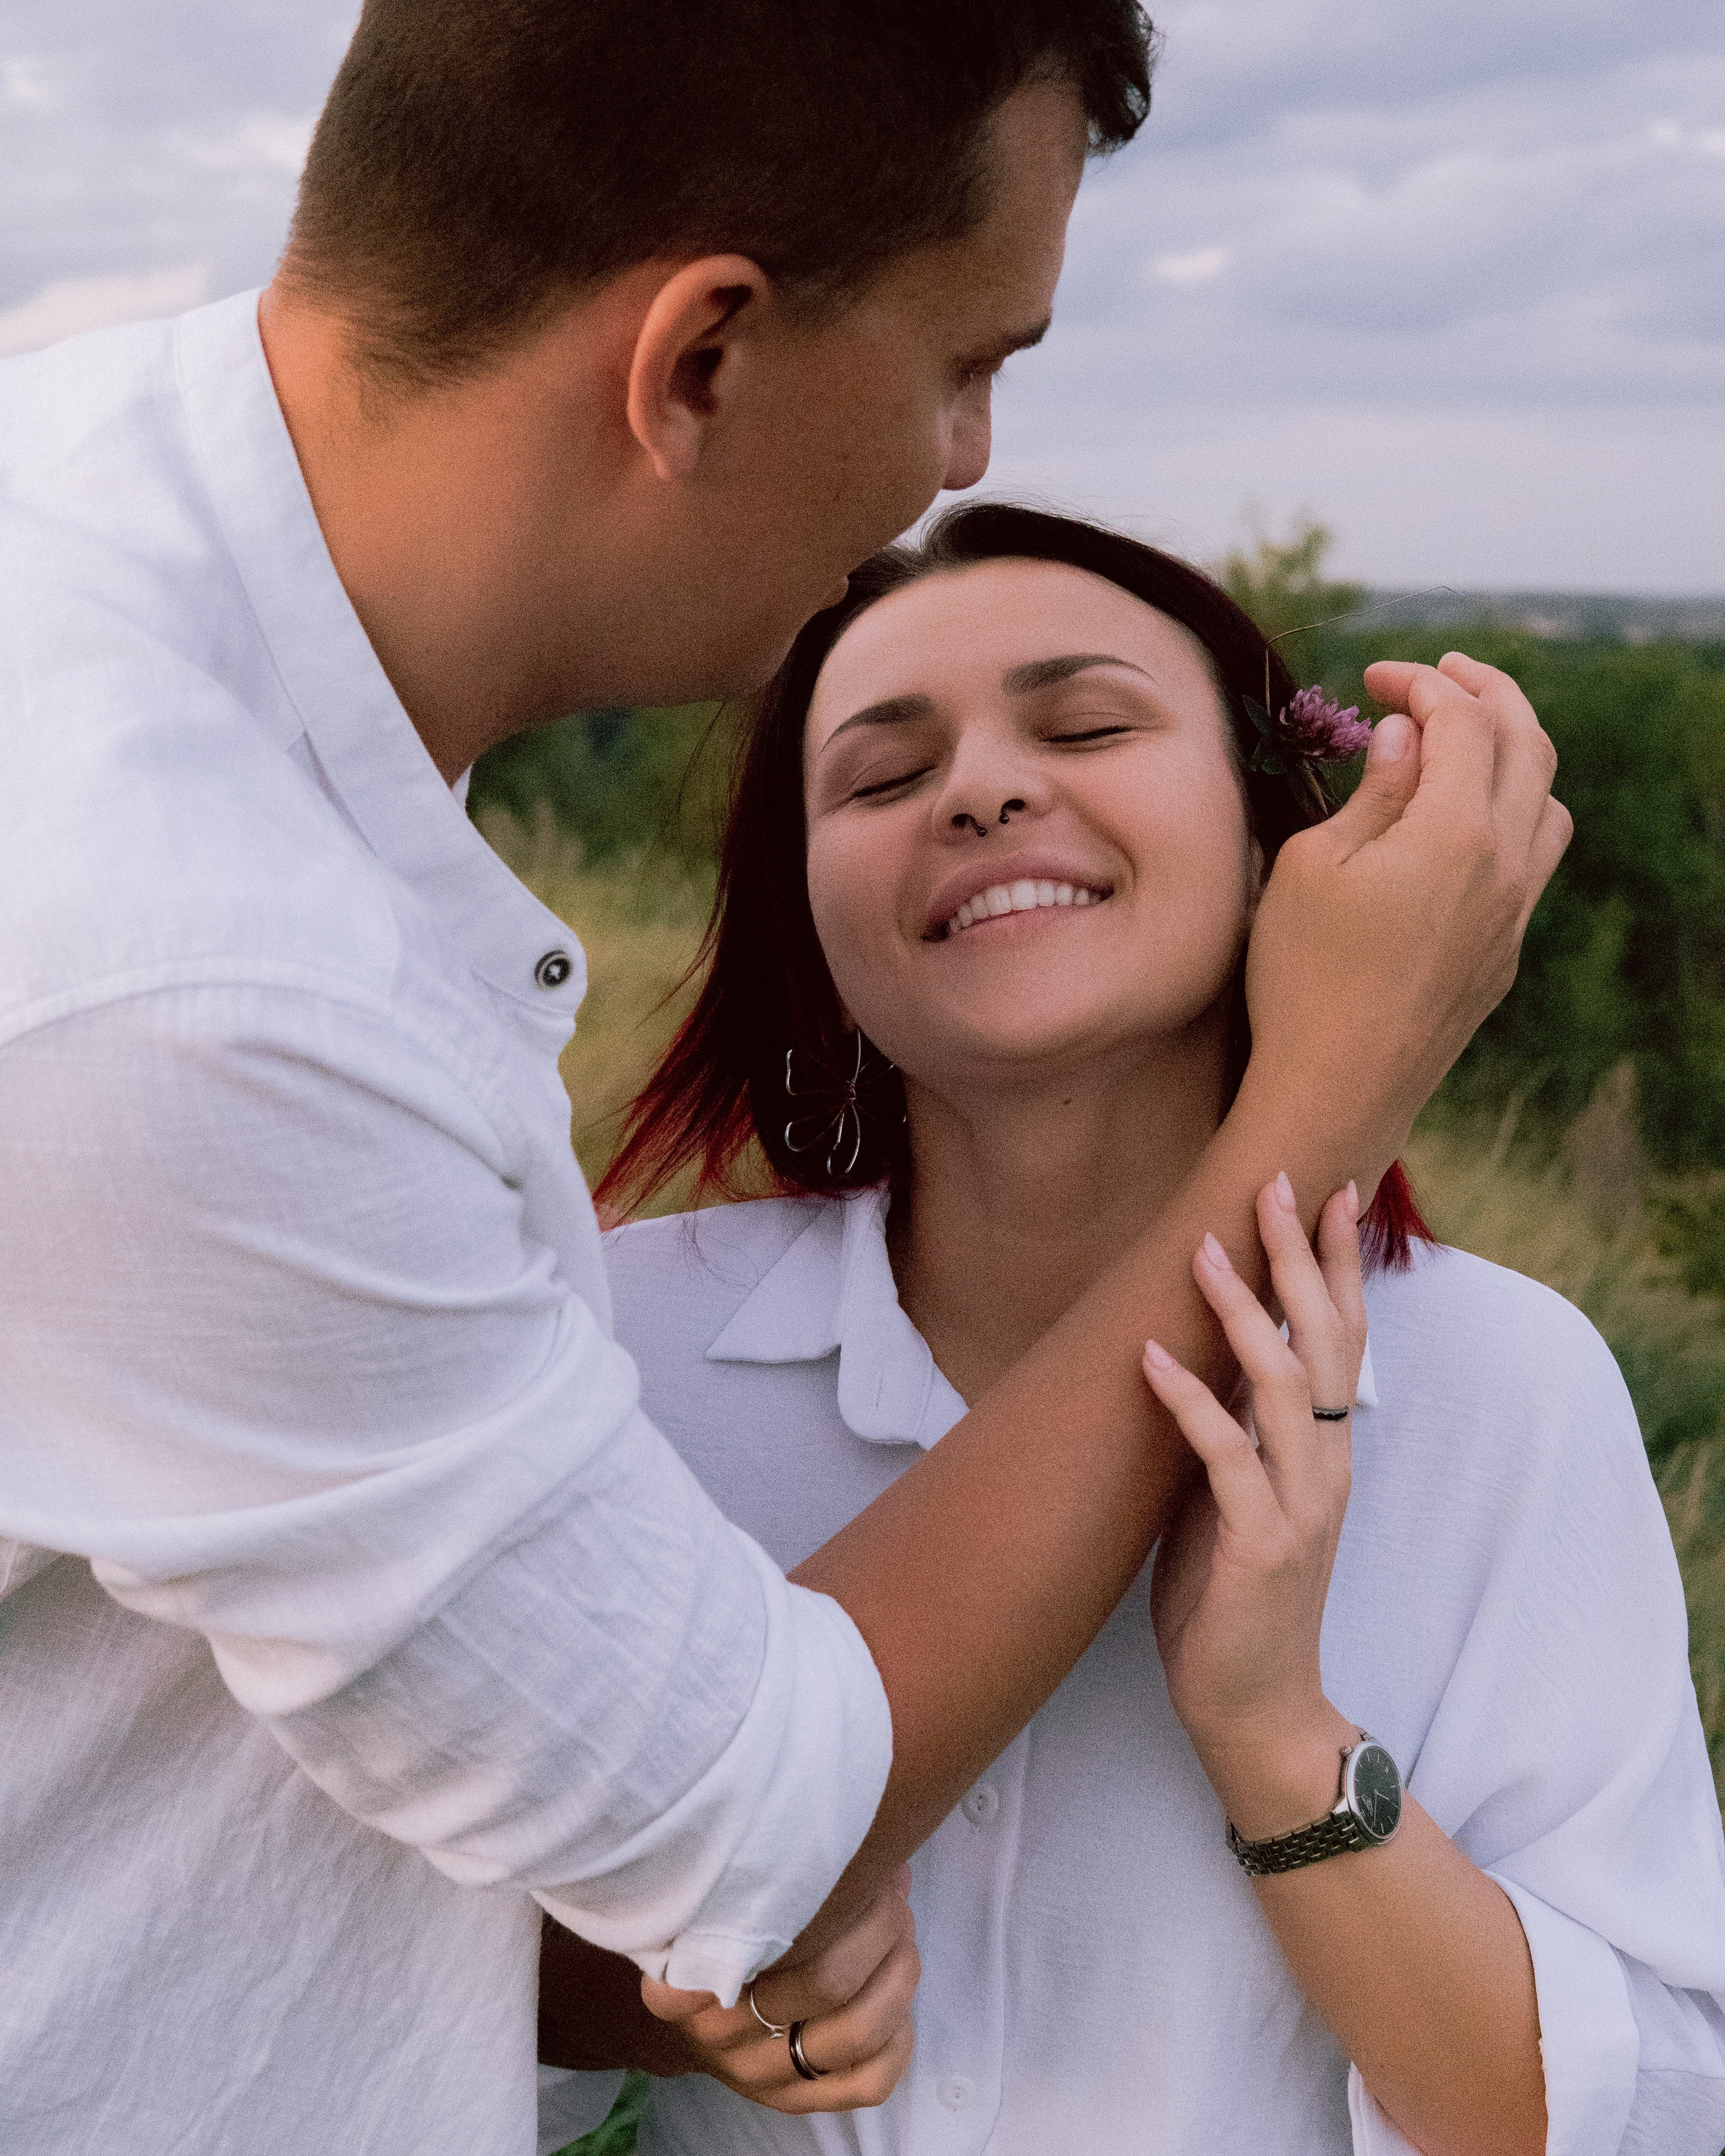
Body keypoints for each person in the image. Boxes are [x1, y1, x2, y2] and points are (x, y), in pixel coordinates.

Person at [0, 6, 1567, 2153]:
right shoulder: (181, 968)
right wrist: (1333, 1093)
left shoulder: (120, 597)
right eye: (963, 362)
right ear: (701, 359)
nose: (963, 460)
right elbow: (766, 1832)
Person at [577, 507, 1725, 2156]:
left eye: (1087, 724)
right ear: (806, 928)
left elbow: (1624, 2121)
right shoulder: (632, 1351)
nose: (977, 787)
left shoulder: (1499, 1382)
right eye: (879, 776)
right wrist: (691, 1976)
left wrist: (1274, 1733)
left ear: (1282, 854)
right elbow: (420, 1991)